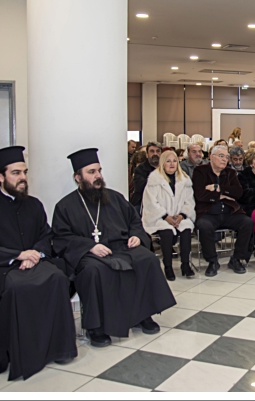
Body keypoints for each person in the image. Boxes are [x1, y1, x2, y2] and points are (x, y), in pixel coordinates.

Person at [0, 145, 76, 380]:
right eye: (16, 173)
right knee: (19, 286)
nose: (23, 177)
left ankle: (59, 348)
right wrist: (17, 255)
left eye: (24, 172)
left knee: (57, 277)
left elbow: (46, 235)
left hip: (32, 261)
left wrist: (34, 254)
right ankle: (23, 353)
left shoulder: (34, 204)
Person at [52, 148, 176, 347]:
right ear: (78, 177)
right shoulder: (65, 206)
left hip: (122, 246)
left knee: (147, 259)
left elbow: (134, 222)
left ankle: (143, 314)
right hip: (90, 254)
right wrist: (90, 247)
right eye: (91, 172)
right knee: (94, 271)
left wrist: (136, 236)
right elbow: (62, 237)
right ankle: (96, 327)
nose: (98, 176)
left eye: (99, 171)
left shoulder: (115, 198)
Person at [191, 145, 254, 276]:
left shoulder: (230, 172)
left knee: (247, 222)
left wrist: (218, 188)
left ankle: (236, 259)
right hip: (208, 213)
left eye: (226, 157)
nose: (224, 159)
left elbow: (238, 192)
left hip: (229, 212)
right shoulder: (200, 171)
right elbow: (200, 195)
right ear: (211, 157)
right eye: (221, 156)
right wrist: (222, 195)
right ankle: (212, 261)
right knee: (204, 226)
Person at [142, 150, 195, 280]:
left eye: (175, 161)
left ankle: (185, 265)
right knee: (166, 231)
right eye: (168, 161)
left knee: (186, 229)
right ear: (163, 163)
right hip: (160, 217)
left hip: (179, 216)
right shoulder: (154, 179)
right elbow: (150, 202)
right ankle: (168, 266)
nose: (172, 164)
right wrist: (166, 216)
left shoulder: (184, 179)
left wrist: (182, 215)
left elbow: (189, 201)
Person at [131, 142, 162, 210]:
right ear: (147, 155)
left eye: (158, 151)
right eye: (152, 151)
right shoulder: (140, 169)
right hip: (143, 201)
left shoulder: (166, 168)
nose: (155, 154)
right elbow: (141, 187)